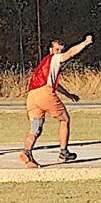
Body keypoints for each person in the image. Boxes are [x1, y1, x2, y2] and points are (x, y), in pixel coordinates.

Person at [20, 35, 94, 168]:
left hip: (32, 96)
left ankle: (27, 152)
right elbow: (71, 53)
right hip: (45, 93)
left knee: (35, 129)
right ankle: (63, 152)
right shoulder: (55, 59)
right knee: (64, 119)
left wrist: (68, 94)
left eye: (61, 50)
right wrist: (85, 43)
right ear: (51, 50)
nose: (59, 52)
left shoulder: (45, 63)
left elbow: (55, 84)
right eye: (57, 49)